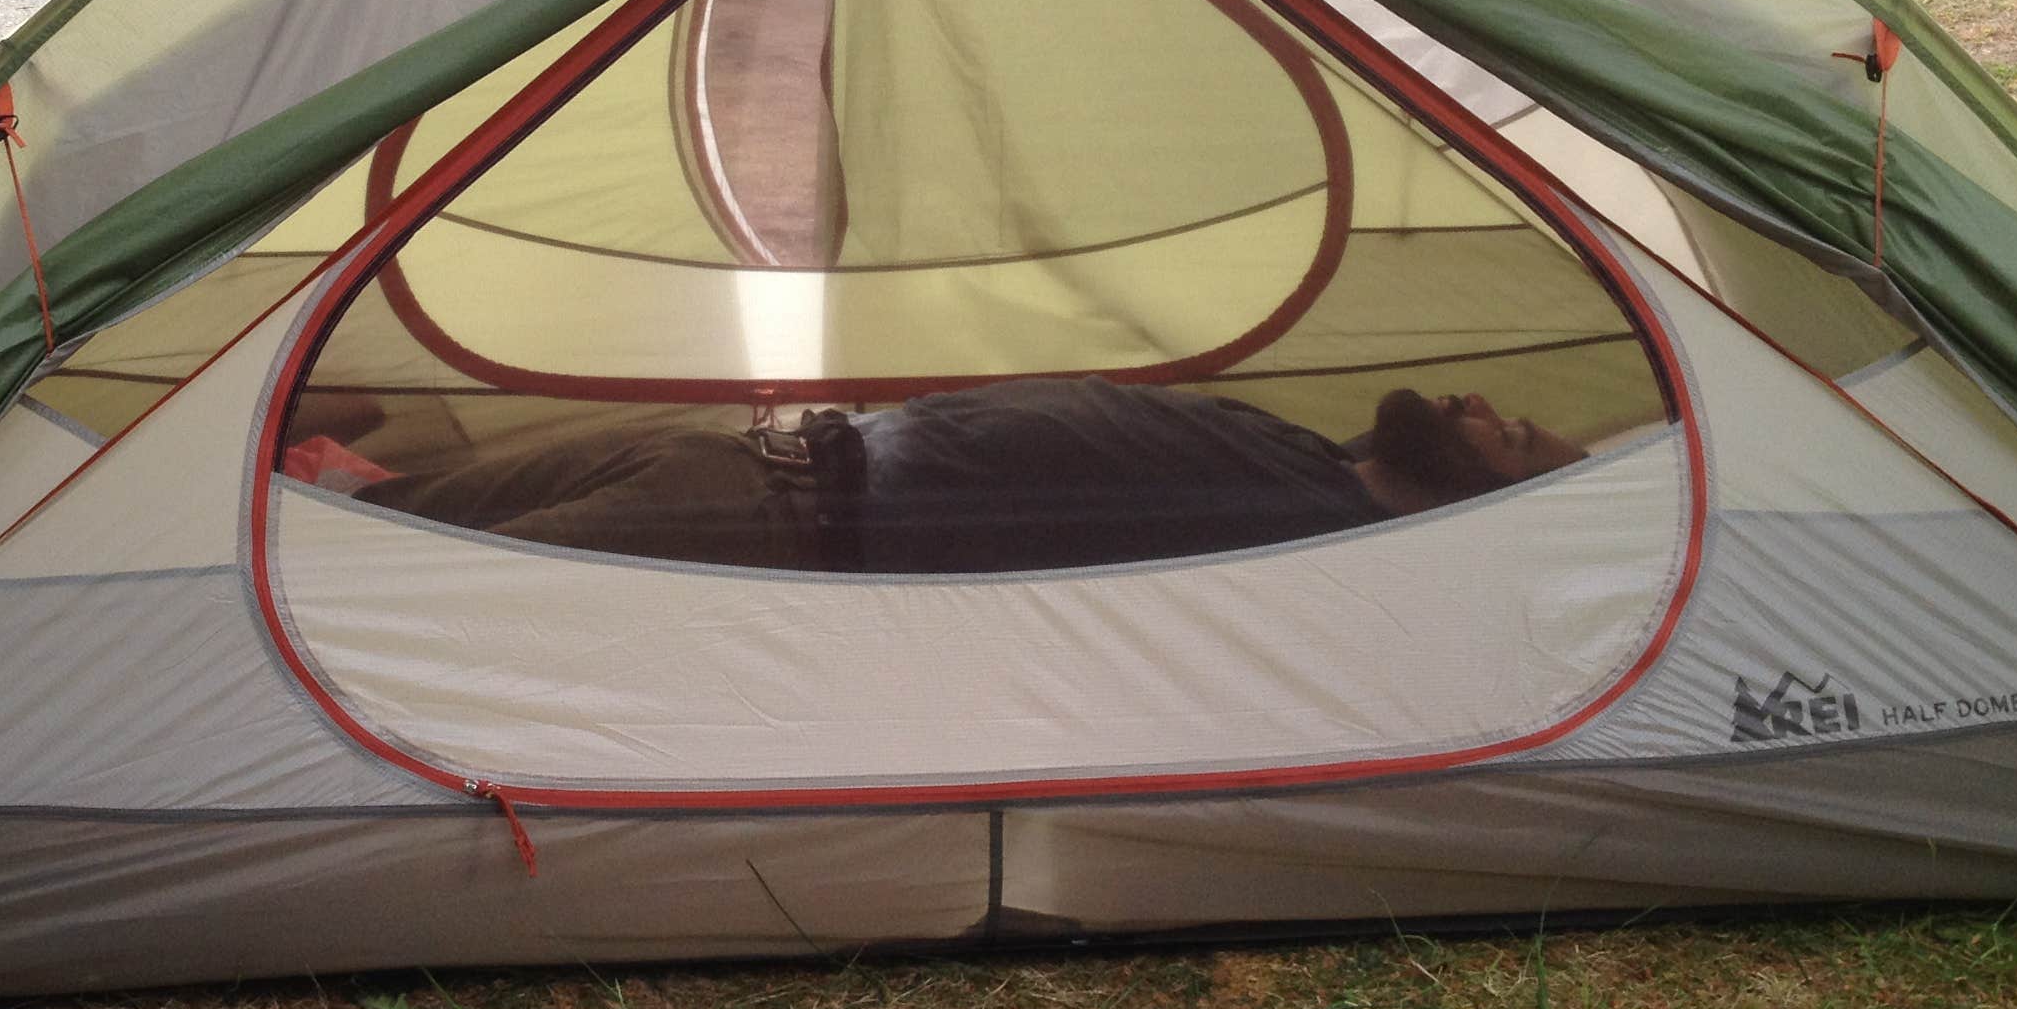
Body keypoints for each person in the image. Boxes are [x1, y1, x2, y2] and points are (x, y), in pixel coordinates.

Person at [303, 380, 1590, 575]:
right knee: (403, 514)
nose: (1484, 408)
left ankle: (313, 502)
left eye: (1508, 438)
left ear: (1479, 499)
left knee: (411, 567)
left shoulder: (1311, 546)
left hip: (783, 519)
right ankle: (336, 471)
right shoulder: (1309, 455)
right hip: (768, 444)